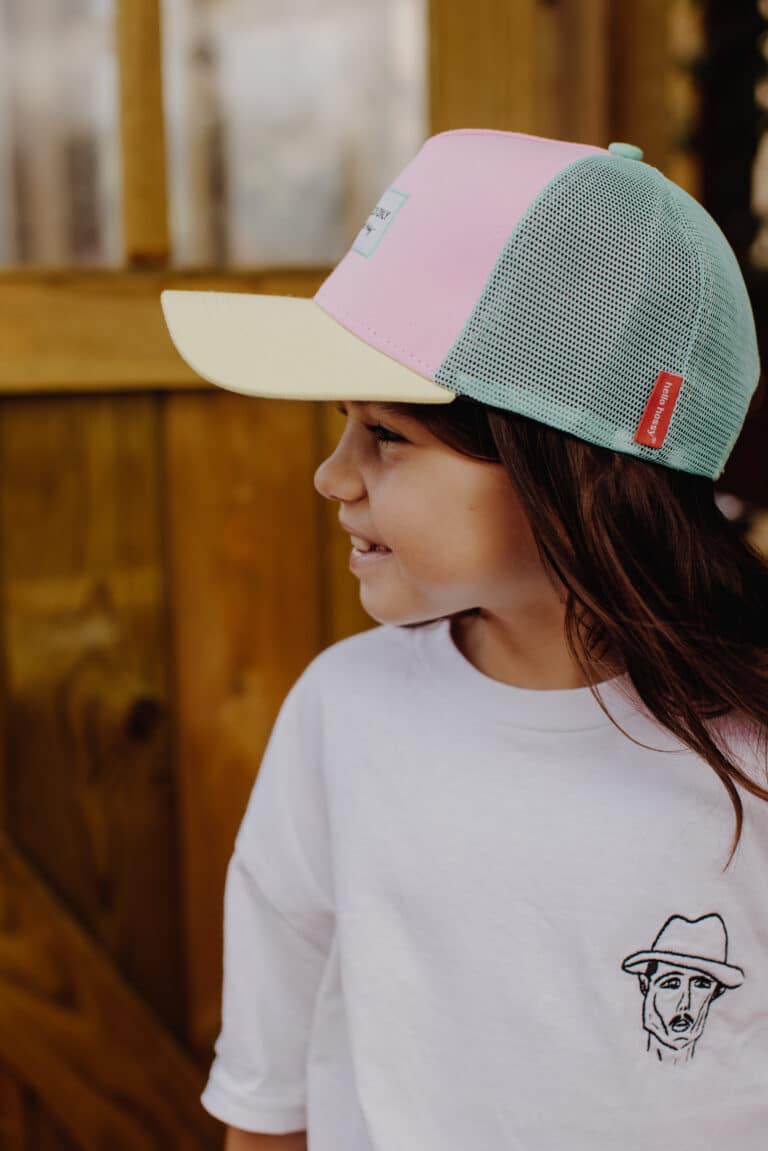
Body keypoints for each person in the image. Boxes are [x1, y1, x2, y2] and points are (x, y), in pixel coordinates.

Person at [160, 130, 768, 1150]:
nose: (333, 475)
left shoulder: (747, 755)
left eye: (386, 435)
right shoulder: (341, 713)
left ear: (574, 469)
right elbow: (266, 1095)